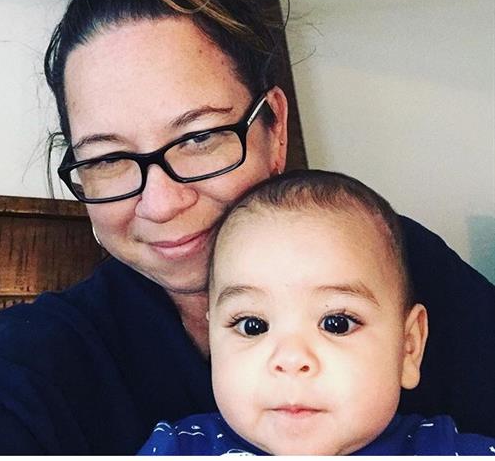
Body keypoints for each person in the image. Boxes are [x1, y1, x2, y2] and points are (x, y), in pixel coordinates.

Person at [0, 0, 493, 455]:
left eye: (199, 137)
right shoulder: (34, 366)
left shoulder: (395, 260)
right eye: (108, 158)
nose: (161, 203)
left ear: (275, 130)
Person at [138, 170, 495, 455]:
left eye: (336, 323)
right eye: (252, 325)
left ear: (408, 348)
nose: (291, 359)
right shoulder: (178, 449)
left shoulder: (449, 452)